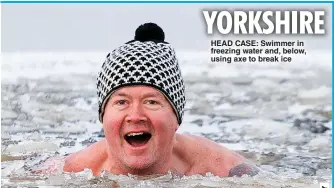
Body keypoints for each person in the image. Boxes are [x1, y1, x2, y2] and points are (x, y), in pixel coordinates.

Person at [41, 22, 259, 178]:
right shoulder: (72, 171)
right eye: (121, 102)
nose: (135, 115)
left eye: (151, 102)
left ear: (176, 118)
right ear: (103, 116)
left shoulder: (223, 169)